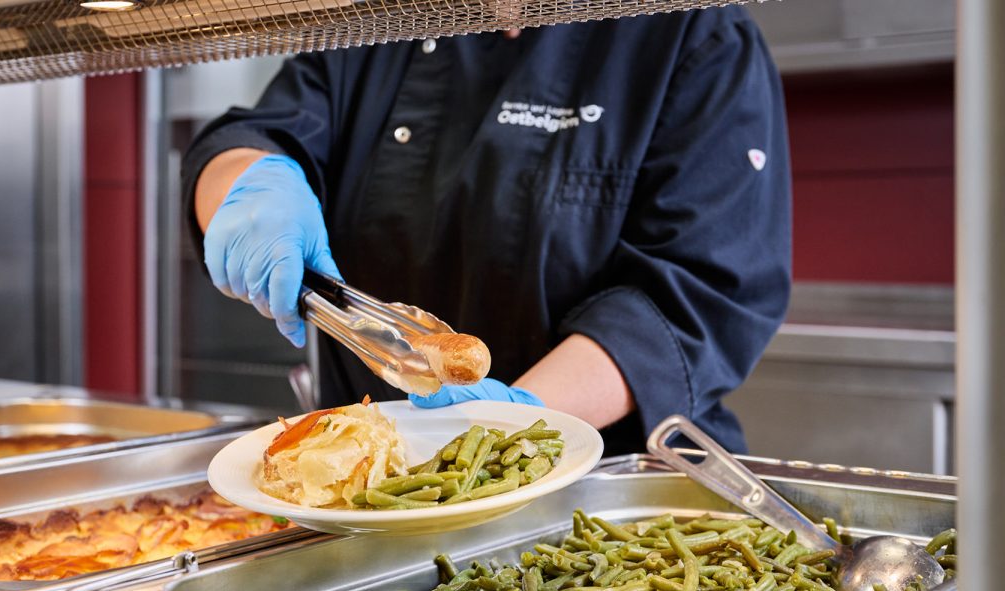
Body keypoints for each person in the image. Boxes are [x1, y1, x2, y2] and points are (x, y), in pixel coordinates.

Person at [182, 6, 791, 456]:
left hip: (610, 485)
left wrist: (512, 422)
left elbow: (699, 293)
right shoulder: (377, 23)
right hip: (371, 476)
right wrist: (251, 189)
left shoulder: (692, 33)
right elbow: (256, 137)